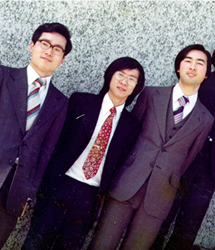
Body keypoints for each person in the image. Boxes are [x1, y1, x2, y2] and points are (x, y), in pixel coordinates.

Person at [88, 44, 215, 250]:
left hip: (160, 195)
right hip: (126, 183)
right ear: (178, 67)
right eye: (188, 61)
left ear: (207, 74)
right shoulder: (150, 94)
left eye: (200, 63)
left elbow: (188, 159)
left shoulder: (206, 118)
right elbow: (129, 134)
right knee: (102, 244)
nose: (193, 66)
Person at [22, 57, 145, 250]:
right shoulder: (80, 101)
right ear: (109, 76)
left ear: (136, 88)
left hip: (89, 196)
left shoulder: (131, 124)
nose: (124, 81)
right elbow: (57, 142)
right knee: (35, 244)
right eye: (120, 74)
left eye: (132, 78)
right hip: (60, 184)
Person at [153, 38, 215, 250]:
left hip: (209, 172)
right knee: (161, 219)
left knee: (188, 228)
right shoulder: (198, 80)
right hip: (181, 162)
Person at [0, 22, 72, 247]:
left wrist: (28, 193)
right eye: (44, 43)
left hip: (14, 194)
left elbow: (46, 151)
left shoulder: (60, 102)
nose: (50, 51)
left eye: (57, 49)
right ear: (32, 45)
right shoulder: (3, 76)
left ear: (63, 59)